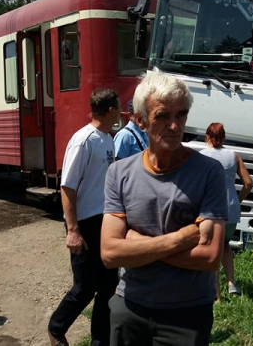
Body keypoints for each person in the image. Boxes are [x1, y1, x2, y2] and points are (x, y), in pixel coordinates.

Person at [101, 70, 228, 345]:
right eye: (162, 116)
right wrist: (181, 238)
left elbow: (210, 258)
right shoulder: (119, 174)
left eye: (180, 114)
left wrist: (136, 244)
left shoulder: (209, 172)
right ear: (140, 121)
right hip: (130, 307)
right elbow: (110, 253)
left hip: (186, 314)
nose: (174, 125)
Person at [48, 88, 122, 346]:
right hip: (85, 224)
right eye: (119, 107)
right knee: (85, 286)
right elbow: (67, 187)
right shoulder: (84, 140)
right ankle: (56, 328)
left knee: (108, 286)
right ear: (111, 110)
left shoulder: (108, 138)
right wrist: (72, 230)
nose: (121, 111)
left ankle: (100, 340)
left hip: (105, 222)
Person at [200, 122, 253, 301]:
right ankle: (231, 284)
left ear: (207, 136)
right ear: (224, 138)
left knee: (213, 249)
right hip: (231, 209)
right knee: (225, 245)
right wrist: (238, 200)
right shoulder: (234, 156)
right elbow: (248, 183)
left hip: (212, 210)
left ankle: (216, 296)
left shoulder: (201, 157)